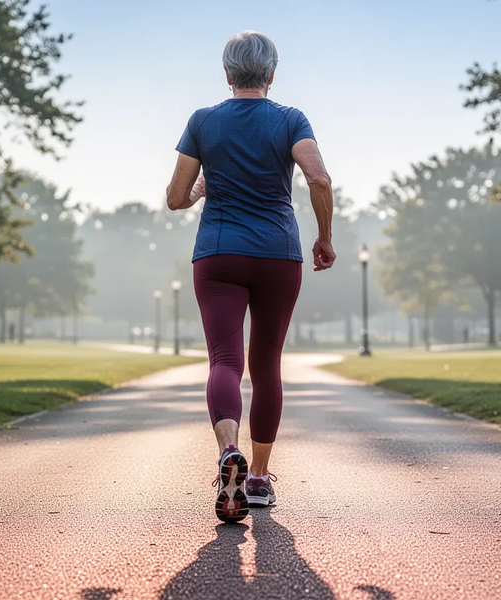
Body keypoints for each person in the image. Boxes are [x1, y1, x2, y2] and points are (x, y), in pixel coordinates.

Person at [166, 31, 336, 522]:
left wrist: (199, 192)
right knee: (266, 366)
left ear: (226, 74)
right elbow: (319, 178)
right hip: (278, 255)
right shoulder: (290, 119)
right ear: (272, 74)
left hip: (217, 254)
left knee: (224, 359)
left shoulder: (203, 121)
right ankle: (258, 479)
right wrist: (324, 237)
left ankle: (227, 453)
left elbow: (175, 198)